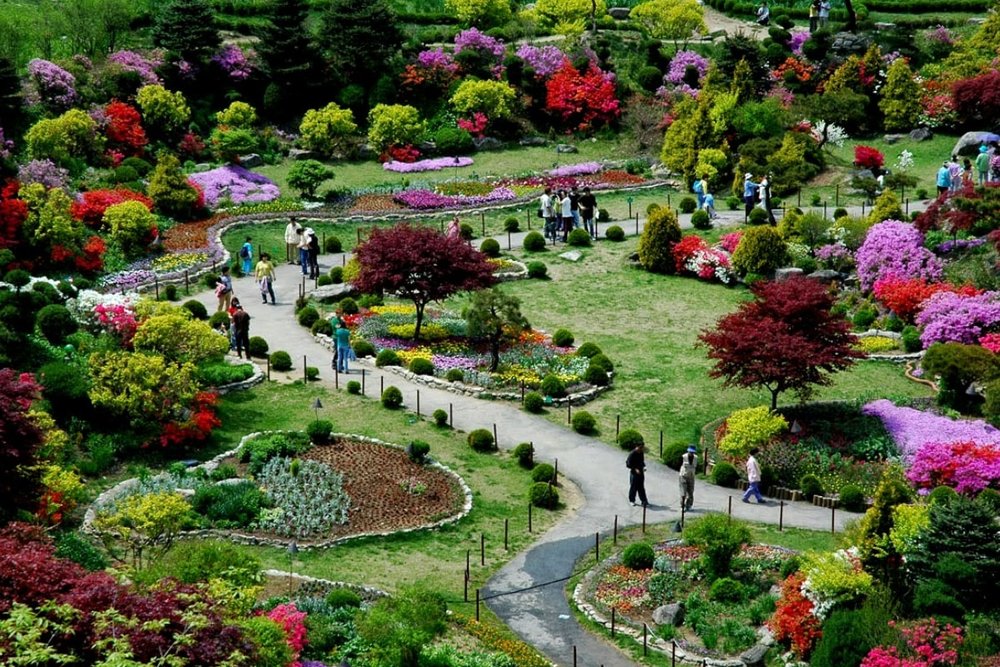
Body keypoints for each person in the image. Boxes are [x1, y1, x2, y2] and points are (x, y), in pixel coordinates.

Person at [625, 442, 649, 507]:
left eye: (642, 448)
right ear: (637, 447)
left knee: (641, 487)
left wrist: (644, 467)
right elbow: (628, 464)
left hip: (641, 472)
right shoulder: (632, 454)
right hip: (634, 473)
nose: (641, 449)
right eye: (640, 447)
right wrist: (635, 469)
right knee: (633, 487)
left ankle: (644, 500)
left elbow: (642, 461)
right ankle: (632, 500)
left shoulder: (641, 453)